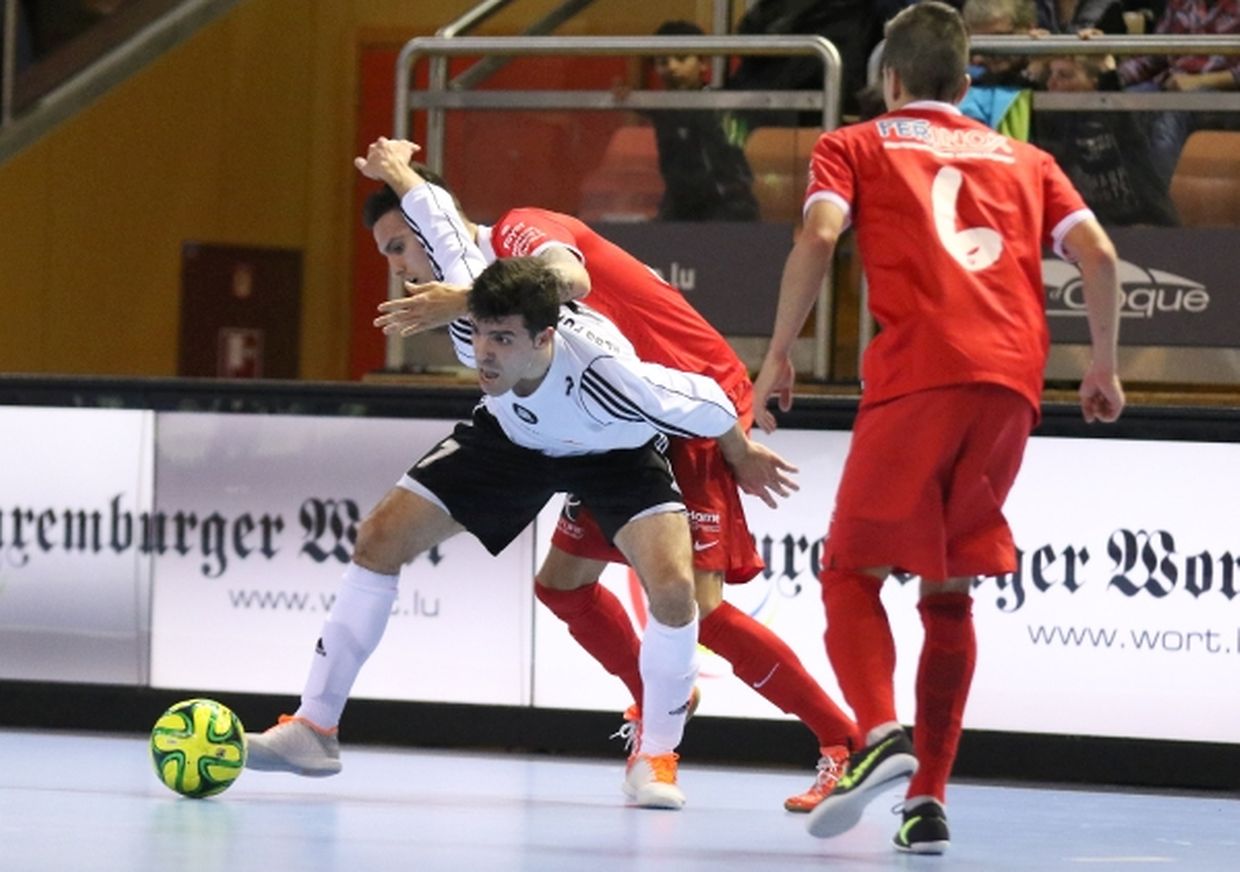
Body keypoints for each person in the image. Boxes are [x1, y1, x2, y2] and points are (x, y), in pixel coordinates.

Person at [355, 136, 868, 813]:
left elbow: (569, 281)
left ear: (429, 221)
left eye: (401, 246)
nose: (400, 266)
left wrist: (459, 299)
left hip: (686, 401)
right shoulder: (481, 280)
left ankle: (844, 743)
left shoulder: (517, 232)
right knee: (561, 584)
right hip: (623, 424)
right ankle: (664, 694)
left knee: (697, 607)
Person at [752, 0, 1124, 854]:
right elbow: (1099, 254)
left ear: (887, 79)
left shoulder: (854, 143)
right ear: (966, 84)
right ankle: (927, 800)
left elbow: (818, 232)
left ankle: (879, 734)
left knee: (849, 570)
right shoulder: (1025, 156)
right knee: (948, 584)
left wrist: (778, 352)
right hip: (1014, 380)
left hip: (923, 368)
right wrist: (1101, 364)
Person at [245, 254, 798, 811]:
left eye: (505, 340)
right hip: (511, 441)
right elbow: (438, 221)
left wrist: (742, 453)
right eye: (483, 334)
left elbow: (709, 402)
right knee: (378, 539)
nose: (486, 352)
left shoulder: (611, 380)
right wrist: (398, 173)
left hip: (615, 453)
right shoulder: (477, 338)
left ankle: (655, 757)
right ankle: (314, 728)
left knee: (676, 591)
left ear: (544, 339)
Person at [1035, 53, 1180, 224]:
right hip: (1086, 222)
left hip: (1140, 219)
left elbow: (1114, 102)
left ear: (1094, 83)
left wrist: (1105, 66)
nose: (1051, 83)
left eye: (1065, 76)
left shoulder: (1118, 117)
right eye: (1050, 75)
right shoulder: (1047, 121)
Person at [1117, 0, 1240, 191]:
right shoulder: (1179, 3)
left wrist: (1201, 81)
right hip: (1170, 85)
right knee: (1123, 104)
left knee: (1172, 115)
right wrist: (1109, 79)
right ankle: (1124, 206)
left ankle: (1163, 210)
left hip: (1227, 96)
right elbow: (1154, 55)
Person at [644, 20, 759, 222]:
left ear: (703, 63)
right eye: (662, 61)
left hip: (728, 206)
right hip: (679, 206)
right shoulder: (659, 107)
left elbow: (737, 154)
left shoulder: (722, 106)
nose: (671, 66)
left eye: (681, 58)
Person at [960, 0, 1039, 139]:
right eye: (982, 41)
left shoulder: (1051, 71)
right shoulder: (965, 80)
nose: (991, 52)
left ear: (1029, 29)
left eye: (999, 37)